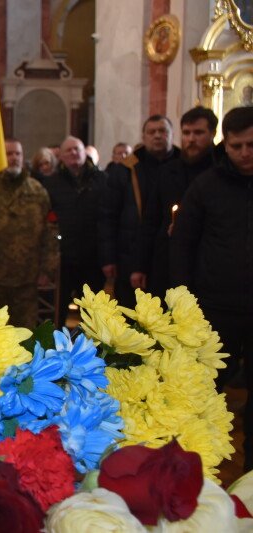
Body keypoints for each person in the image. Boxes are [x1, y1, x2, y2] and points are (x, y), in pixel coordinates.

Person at [170, 106, 253, 469]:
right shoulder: (206, 185)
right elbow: (182, 244)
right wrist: (184, 301)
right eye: (237, 146)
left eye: (252, 145)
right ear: (225, 144)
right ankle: (200, 469)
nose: (245, 153)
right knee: (206, 390)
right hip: (216, 306)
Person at [132, 107, 219, 298]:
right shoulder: (167, 171)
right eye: (186, 133)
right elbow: (151, 221)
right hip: (167, 261)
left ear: (212, 133)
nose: (191, 139)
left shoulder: (221, 171)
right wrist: (140, 266)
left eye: (198, 133)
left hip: (209, 264)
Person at [100, 115, 180, 307]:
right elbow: (108, 215)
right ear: (143, 137)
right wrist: (108, 257)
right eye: (152, 132)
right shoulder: (125, 169)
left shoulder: (182, 164)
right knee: (132, 312)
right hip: (130, 253)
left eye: (163, 131)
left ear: (172, 134)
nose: (157, 136)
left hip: (171, 254)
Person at [0, 139, 58, 329]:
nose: (14, 158)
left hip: (27, 277)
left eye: (18, 154)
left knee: (25, 333)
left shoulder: (37, 190)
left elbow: (50, 232)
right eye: (9, 154)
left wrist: (47, 269)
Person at [43, 136, 108, 328]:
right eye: (68, 150)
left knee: (94, 314)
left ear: (85, 153)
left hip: (94, 257)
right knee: (58, 312)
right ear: (61, 156)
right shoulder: (51, 183)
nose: (73, 153)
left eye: (77, 149)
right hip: (63, 257)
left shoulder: (102, 180)